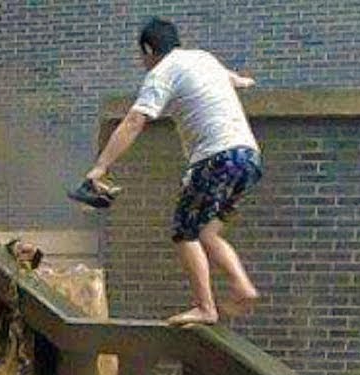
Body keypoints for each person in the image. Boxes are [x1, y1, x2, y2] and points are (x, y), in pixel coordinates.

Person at [85, 18, 263, 326]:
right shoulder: (203, 58)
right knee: (207, 232)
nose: (143, 63)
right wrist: (242, 81)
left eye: (142, 56)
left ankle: (205, 307)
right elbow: (230, 78)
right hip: (248, 158)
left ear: (148, 49)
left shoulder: (161, 73)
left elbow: (133, 122)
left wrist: (101, 166)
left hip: (216, 158)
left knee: (184, 231)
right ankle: (242, 286)